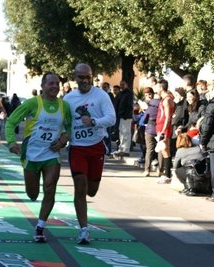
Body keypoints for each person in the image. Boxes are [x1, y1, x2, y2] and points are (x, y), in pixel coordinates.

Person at [5, 72, 71, 242]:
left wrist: (63, 140)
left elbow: (69, 128)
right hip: (31, 155)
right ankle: (34, 198)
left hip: (51, 154)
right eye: (51, 83)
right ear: (42, 86)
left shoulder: (64, 106)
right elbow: (11, 121)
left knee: (50, 189)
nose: (55, 86)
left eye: (57, 83)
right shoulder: (32, 103)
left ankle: (40, 227)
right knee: (32, 194)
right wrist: (12, 142)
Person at [63, 63, 116, 244]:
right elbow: (61, 122)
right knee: (80, 186)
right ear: (75, 78)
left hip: (96, 147)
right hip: (77, 148)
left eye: (88, 77)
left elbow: (111, 118)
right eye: (81, 77)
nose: (85, 80)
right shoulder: (68, 99)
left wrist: (93, 121)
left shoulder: (100, 95)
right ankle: (84, 230)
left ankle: (84, 224)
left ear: (91, 76)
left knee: (91, 191)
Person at [154, 79, 175, 184]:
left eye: (157, 87)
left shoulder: (167, 100)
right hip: (160, 126)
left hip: (164, 127)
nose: (155, 89)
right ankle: (166, 174)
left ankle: (167, 175)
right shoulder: (163, 99)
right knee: (163, 151)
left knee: (165, 151)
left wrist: (163, 131)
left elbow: (167, 117)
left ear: (161, 88)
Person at [113, 80, 133, 157]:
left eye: (123, 84)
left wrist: (125, 115)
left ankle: (126, 150)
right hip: (121, 116)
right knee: (121, 133)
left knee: (126, 132)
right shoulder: (121, 93)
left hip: (126, 116)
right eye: (121, 84)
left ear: (126, 85)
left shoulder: (129, 93)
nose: (121, 86)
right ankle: (121, 148)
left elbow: (129, 105)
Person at [101, 82, 115, 155]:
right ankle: (103, 149)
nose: (104, 88)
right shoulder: (100, 95)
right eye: (103, 87)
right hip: (101, 117)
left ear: (108, 87)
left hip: (107, 117)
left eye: (105, 87)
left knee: (108, 135)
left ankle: (108, 150)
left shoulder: (110, 95)